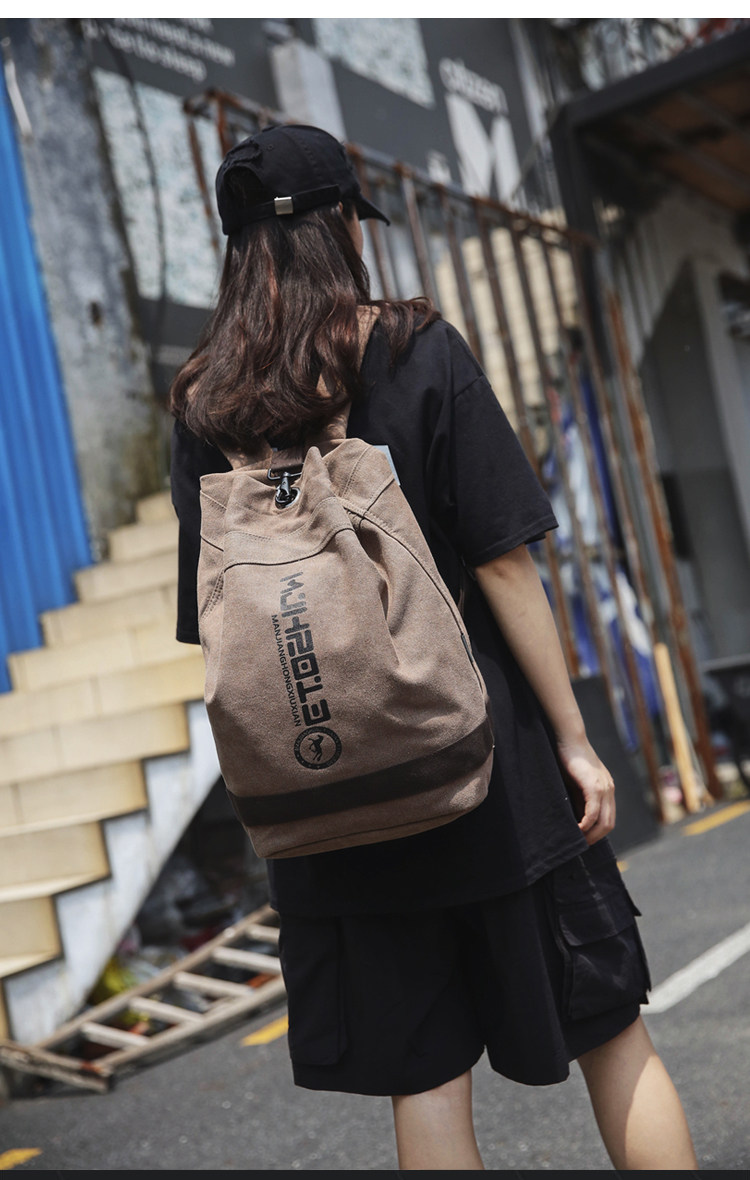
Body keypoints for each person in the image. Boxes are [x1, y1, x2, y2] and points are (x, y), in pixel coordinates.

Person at [168, 122, 698, 1171]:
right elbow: (503, 564)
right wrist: (574, 740)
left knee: (426, 1082)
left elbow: (214, 620)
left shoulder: (202, 406)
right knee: (610, 1033)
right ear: (343, 227)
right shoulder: (412, 351)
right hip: (485, 771)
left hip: (333, 805)